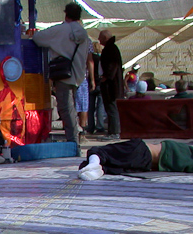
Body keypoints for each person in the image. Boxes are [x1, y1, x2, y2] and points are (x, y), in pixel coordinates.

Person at [31, 2, 90, 145]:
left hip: (63, 74)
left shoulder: (61, 30)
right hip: (78, 75)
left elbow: (38, 38)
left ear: (66, 14)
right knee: (72, 108)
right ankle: (75, 136)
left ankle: (73, 140)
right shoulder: (83, 33)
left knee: (65, 109)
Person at [77, 138, 193, 180]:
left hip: (141, 150)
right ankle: (97, 168)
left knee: (98, 151)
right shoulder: (192, 163)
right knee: (103, 163)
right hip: (143, 164)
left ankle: (95, 165)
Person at [98, 29, 124, 140]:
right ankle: (112, 131)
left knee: (112, 107)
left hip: (111, 85)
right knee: (110, 108)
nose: (98, 40)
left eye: (100, 37)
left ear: (105, 38)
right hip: (111, 84)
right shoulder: (111, 48)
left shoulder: (110, 49)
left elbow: (112, 66)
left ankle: (115, 132)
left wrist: (106, 77)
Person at [87, 41, 106, 134]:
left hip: (90, 83)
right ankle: (100, 126)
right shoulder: (101, 58)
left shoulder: (89, 58)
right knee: (100, 106)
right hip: (100, 83)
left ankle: (90, 126)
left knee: (90, 107)